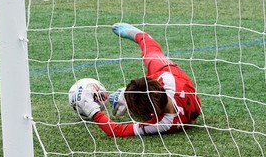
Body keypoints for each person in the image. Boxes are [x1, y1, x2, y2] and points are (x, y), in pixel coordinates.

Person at [70, 23, 201, 137]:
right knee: (152, 53)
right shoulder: (167, 75)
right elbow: (148, 43)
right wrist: (136, 34)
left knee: (151, 57)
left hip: (167, 100)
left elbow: (116, 131)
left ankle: (124, 95)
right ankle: (124, 94)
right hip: (178, 86)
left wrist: (93, 111)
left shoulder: (163, 124)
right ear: (156, 83)